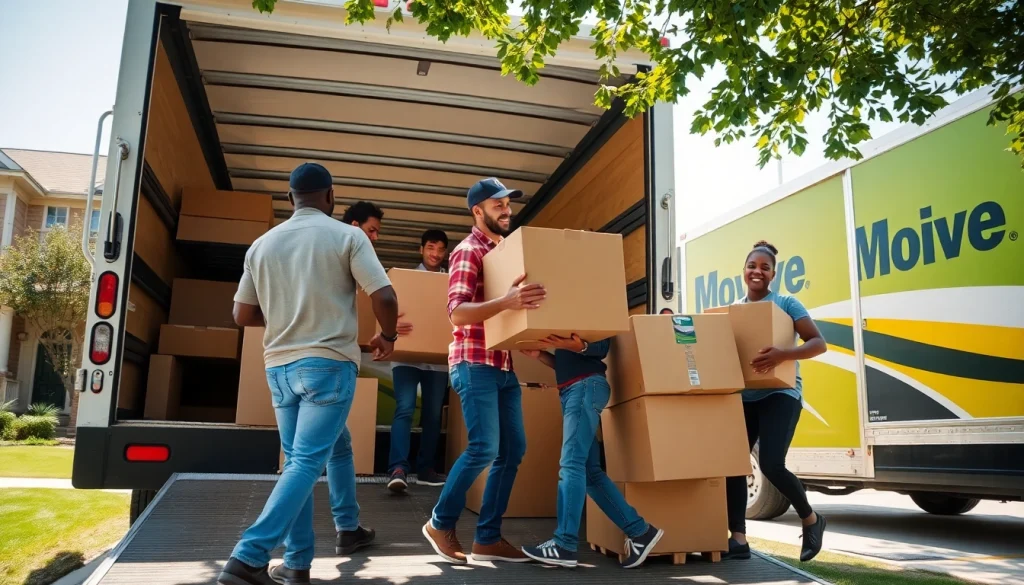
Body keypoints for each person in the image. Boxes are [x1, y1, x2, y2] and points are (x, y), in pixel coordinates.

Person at [217, 163, 399, 585]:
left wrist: (288, 316)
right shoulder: (348, 236)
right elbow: (384, 295)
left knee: (314, 454)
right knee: (304, 463)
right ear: (330, 196)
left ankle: (298, 562)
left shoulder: (261, 245)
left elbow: (241, 313)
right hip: (328, 365)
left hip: (279, 368)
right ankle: (248, 557)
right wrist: (386, 335)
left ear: (289, 199)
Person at [421, 178, 545, 565]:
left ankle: (488, 538)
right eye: (498, 205)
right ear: (478, 211)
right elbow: (457, 311)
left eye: (508, 204)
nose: (506, 210)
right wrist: (507, 301)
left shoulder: (502, 255)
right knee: (485, 447)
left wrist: (536, 343)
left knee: (513, 450)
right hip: (473, 364)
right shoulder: (467, 252)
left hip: (503, 365)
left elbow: (505, 318)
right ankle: (439, 523)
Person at [518, 336, 665, 569]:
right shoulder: (568, 315)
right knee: (589, 473)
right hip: (574, 389)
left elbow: (600, 348)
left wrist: (573, 345)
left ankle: (564, 544)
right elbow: (572, 361)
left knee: (571, 466)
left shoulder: (592, 307)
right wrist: (542, 356)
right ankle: (640, 532)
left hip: (584, 387)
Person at [723, 240, 828, 563]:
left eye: (764, 268)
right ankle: (738, 538)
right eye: (752, 266)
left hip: (781, 394)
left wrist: (784, 354)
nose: (757, 271)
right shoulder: (735, 310)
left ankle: (811, 519)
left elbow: (818, 343)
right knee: (734, 464)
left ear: (773, 274)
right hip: (746, 396)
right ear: (743, 271)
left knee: (770, 463)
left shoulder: (785, 303)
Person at [386, 229, 451, 492]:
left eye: (441, 249)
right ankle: (398, 469)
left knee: (434, 415)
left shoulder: (450, 281)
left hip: (438, 360)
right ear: (421, 249)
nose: (435, 254)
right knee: (405, 407)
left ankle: (426, 470)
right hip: (406, 357)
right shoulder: (406, 280)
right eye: (431, 248)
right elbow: (387, 309)